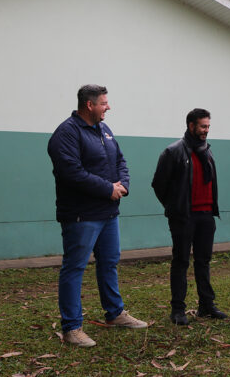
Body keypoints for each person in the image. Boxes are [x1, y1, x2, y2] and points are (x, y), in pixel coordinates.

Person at [47, 84, 147, 347]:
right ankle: (72, 328)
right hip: (81, 215)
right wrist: (107, 188)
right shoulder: (66, 134)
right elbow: (71, 172)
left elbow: (120, 161)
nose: (108, 107)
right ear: (89, 105)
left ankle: (114, 314)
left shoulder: (104, 130)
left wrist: (122, 183)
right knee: (75, 267)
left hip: (108, 213)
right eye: (104, 103)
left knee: (109, 262)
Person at [152, 109, 227, 325]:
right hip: (184, 217)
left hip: (206, 216)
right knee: (181, 261)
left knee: (203, 261)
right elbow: (159, 184)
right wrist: (174, 207)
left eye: (208, 127)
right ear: (191, 125)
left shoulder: (207, 151)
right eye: (203, 126)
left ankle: (206, 305)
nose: (206, 131)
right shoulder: (173, 151)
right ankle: (178, 309)